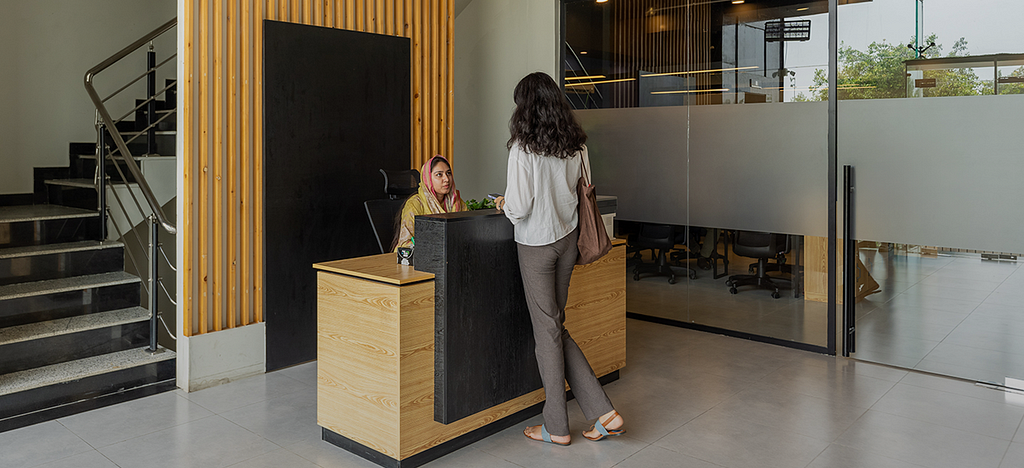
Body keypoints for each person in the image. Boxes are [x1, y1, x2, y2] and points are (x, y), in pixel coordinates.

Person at [494, 72, 625, 446]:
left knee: (547, 331)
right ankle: (604, 413)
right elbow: (582, 190)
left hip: (536, 244)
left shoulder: (522, 146)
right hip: (568, 241)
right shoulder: (576, 144)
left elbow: (519, 207)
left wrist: (504, 204)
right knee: (555, 326)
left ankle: (556, 425)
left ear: (526, 106)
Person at [394, 155, 465, 251]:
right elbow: (405, 244)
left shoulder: (457, 202)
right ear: (428, 179)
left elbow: (467, 232)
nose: (447, 179)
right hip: (417, 260)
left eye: (448, 173)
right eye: (439, 174)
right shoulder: (415, 204)